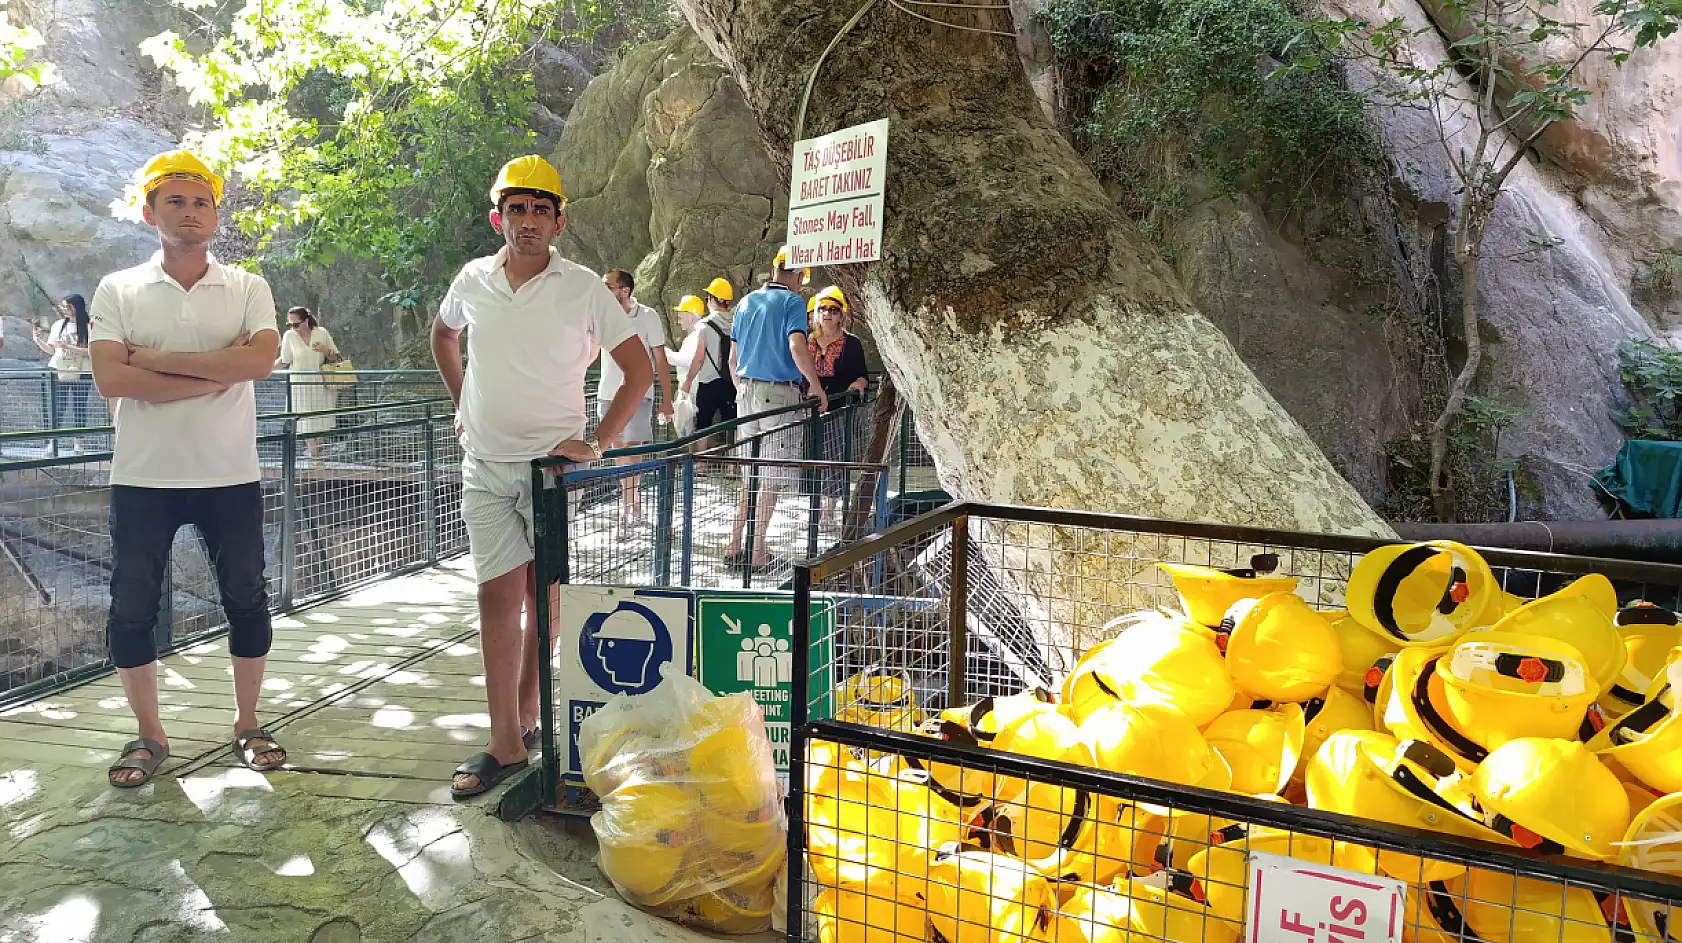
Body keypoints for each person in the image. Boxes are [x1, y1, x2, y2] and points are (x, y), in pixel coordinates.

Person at [431, 155, 652, 799]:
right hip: (485, 466)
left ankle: (530, 715)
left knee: (544, 600)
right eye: (517, 209)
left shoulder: (583, 287)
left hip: (549, 470)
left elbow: (636, 369)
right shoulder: (472, 279)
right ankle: (504, 739)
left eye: (541, 210)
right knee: (494, 598)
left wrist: (599, 441)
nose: (528, 221)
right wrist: (461, 405)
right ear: (498, 216)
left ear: (559, 221)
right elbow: (444, 338)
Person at [88, 150, 285, 787]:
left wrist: (152, 362)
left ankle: (247, 722)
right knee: (132, 608)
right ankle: (149, 735)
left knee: (247, 600)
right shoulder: (117, 288)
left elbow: (257, 364)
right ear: (150, 212)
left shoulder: (248, 286)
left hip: (230, 473)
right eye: (176, 201)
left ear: (216, 214)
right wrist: (211, 369)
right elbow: (110, 377)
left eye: (202, 202)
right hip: (144, 476)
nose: (191, 212)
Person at [722, 247, 827, 570]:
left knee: (750, 476)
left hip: (746, 393)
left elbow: (732, 359)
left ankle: (734, 544)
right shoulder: (793, 303)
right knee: (772, 476)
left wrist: (745, 391)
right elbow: (797, 346)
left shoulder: (746, 302)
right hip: (779, 395)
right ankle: (757, 552)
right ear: (799, 275)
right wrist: (816, 385)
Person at [599, 269, 674, 523]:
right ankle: (630, 504)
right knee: (619, 452)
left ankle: (631, 505)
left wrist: (667, 400)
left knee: (634, 449)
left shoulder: (647, 316)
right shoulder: (601, 315)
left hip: (639, 394)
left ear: (625, 290)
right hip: (608, 394)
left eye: (608, 286)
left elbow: (661, 360)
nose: (603, 290)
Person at [808, 286, 870, 524]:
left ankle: (828, 511)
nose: (827, 314)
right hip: (811, 408)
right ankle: (816, 510)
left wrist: (856, 385)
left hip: (838, 407)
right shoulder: (808, 341)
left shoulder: (850, 343)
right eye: (823, 308)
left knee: (833, 458)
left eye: (833, 310)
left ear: (841, 315)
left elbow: (862, 375)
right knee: (812, 458)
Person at [274, 306, 342, 461]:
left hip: (319, 383)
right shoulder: (289, 336)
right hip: (299, 384)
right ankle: (314, 459)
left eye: (296, 324)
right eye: (290, 324)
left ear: (305, 321)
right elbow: (285, 360)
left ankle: (317, 454)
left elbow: (336, 359)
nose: (293, 328)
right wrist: (265, 369)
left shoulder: (321, 333)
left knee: (322, 420)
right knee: (305, 421)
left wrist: (326, 351)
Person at [33, 293, 94, 452]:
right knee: (58, 406)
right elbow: (51, 350)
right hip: (59, 368)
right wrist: (38, 340)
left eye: (69, 306)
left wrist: (69, 347)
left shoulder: (90, 326)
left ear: (77, 307)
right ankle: (53, 442)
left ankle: (79, 441)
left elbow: (91, 351)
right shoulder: (58, 325)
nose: (65, 309)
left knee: (79, 406)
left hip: (82, 370)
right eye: (64, 307)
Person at [679, 277, 738, 434]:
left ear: (713, 299)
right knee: (732, 427)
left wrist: (688, 381)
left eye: (708, 298)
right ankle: (735, 458)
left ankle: (701, 459)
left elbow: (698, 359)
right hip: (731, 381)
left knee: (703, 426)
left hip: (708, 383)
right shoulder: (737, 322)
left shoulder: (704, 326)